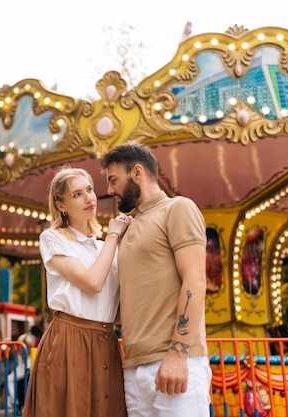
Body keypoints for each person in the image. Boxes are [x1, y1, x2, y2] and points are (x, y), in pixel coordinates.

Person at [101, 143, 211, 416]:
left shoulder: (178, 208)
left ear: (137, 172)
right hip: (134, 367)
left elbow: (195, 280)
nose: (110, 190)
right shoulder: (125, 227)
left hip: (174, 359)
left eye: (113, 180)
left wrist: (178, 353)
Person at [22, 166, 130, 417]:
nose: (90, 198)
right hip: (70, 339)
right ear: (61, 205)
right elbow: (92, 282)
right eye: (77, 194)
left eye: (90, 190)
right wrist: (114, 235)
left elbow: (115, 310)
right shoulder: (53, 238)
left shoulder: (103, 247)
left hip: (106, 341)